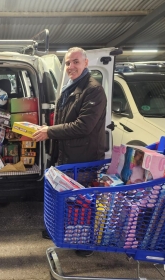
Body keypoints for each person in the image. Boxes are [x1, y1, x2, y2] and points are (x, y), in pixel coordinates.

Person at [32, 47, 107, 257]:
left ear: (85, 63)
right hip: (66, 154)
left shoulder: (93, 90)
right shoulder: (70, 87)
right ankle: (65, 232)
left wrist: (49, 131)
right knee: (67, 198)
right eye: (67, 63)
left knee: (83, 201)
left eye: (75, 62)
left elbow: (83, 126)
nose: (70, 67)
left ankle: (84, 245)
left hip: (83, 157)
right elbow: (64, 120)